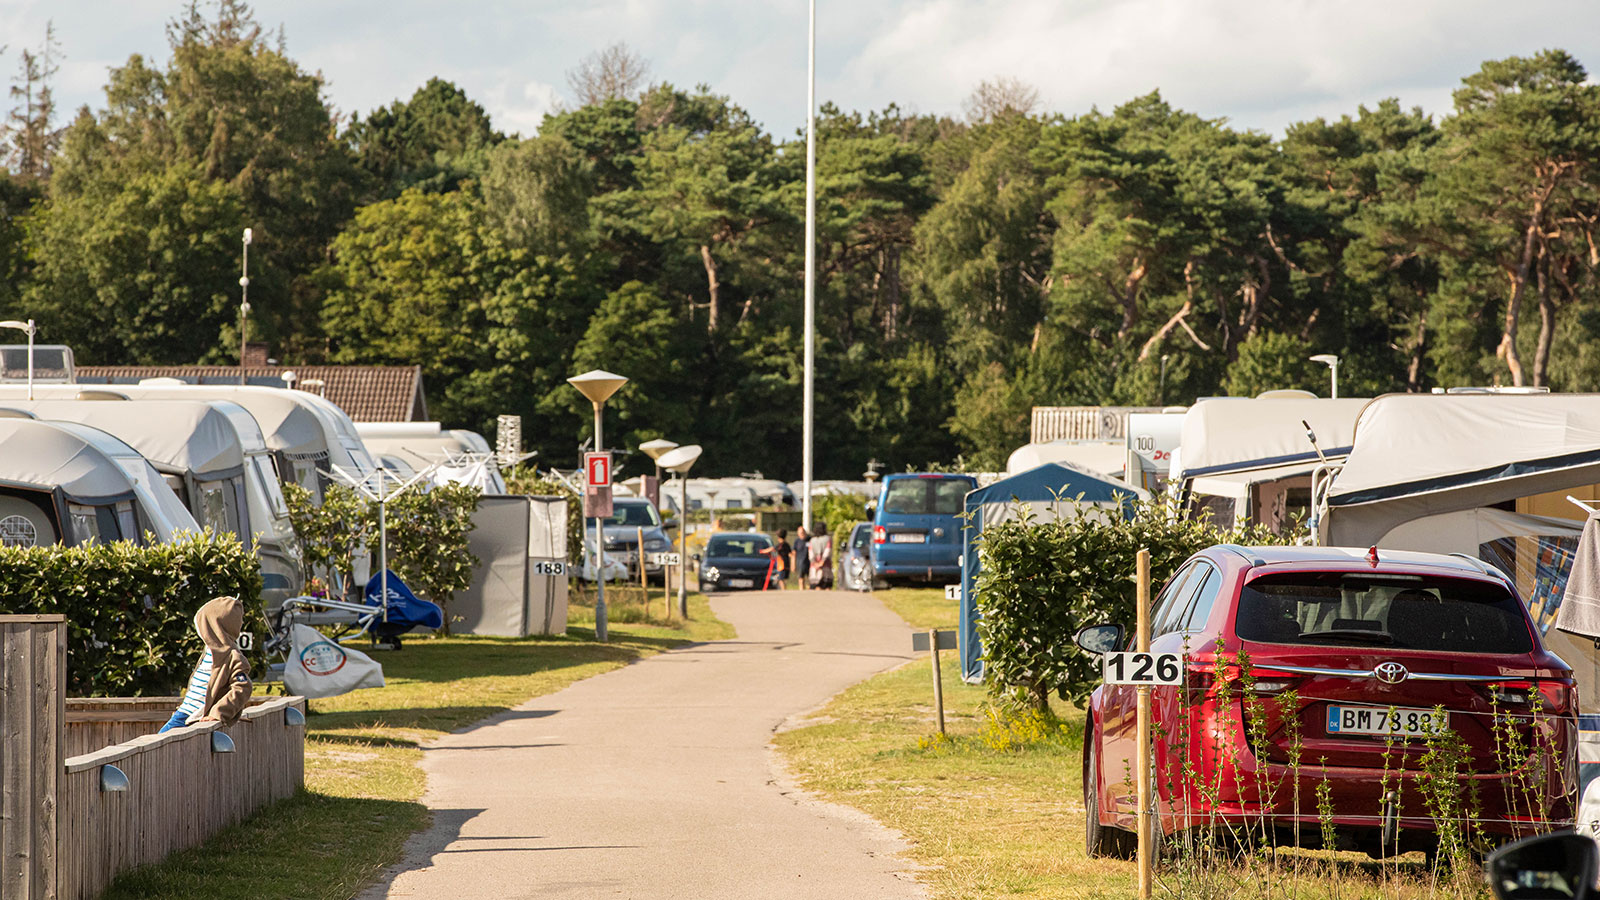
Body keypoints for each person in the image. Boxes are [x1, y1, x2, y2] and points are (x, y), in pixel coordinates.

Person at [158, 595, 254, 733]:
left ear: (214, 627)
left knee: (161, 745)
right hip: (184, 712)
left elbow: (243, 688)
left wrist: (218, 713)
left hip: (192, 716)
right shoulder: (210, 651)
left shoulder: (232, 656)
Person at [793, 525, 811, 591]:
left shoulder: (810, 539)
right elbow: (794, 553)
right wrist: (793, 564)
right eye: (800, 533)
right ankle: (801, 590)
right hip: (800, 562)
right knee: (801, 578)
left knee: (810, 578)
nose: (802, 534)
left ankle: (810, 589)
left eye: (803, 532)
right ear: (798, 534)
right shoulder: (797, 541)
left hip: (809, 562)